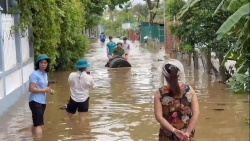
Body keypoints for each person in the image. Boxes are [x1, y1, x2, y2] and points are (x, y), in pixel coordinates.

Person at [154, 59, 199, 141]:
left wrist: (174, 131)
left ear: (164, 76)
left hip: (167, 135)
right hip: (187, 135)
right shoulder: (190, 90)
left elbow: (159, 117)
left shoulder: (160, 93)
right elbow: (196, 113)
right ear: (179, 74)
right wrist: (188, 133)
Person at [28, 54, 55, 138]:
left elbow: (43, 87)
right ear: (38, 64)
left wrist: (50, 90)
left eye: (45, 63)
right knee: (39, 124)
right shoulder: (34, 74)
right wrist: (44, 90)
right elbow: (31, 89)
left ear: (47, 64)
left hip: (42, 101)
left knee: (36, 123)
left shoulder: (45, 74)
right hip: (35, 101)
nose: (43, 64)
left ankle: (33, 137)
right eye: (41, 62)